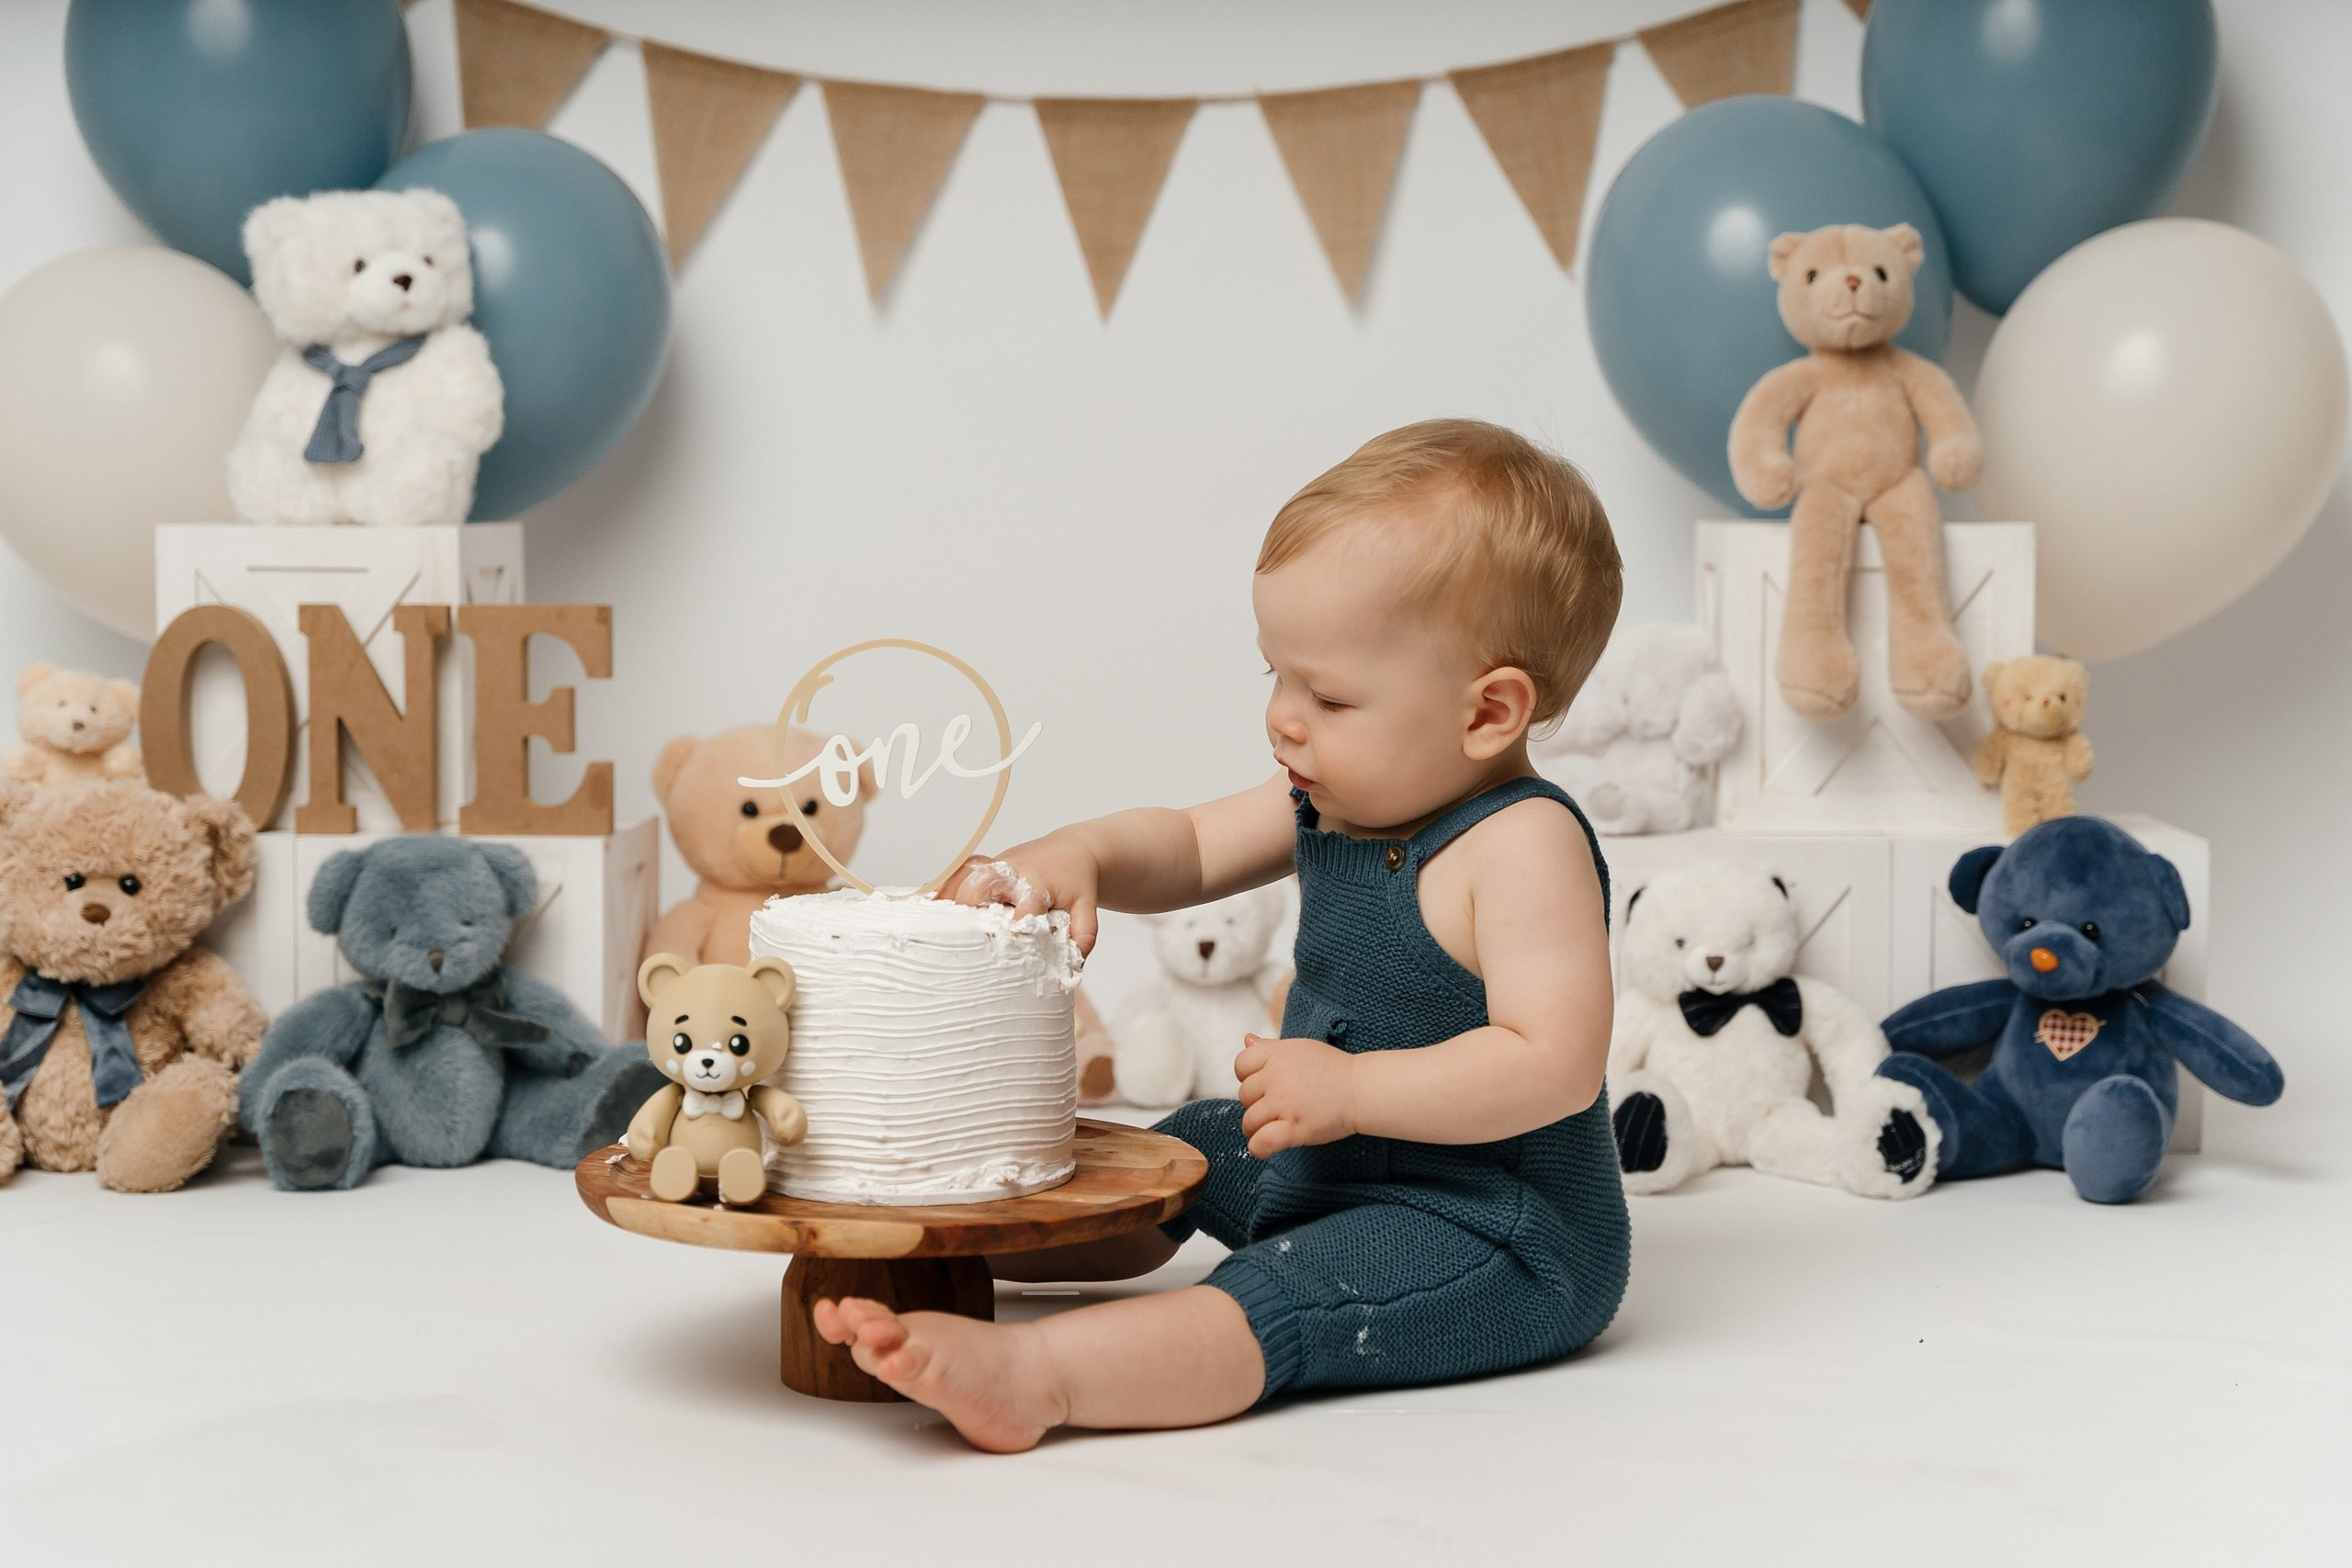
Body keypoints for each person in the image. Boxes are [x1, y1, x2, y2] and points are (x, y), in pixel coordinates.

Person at [814, 418, 1629, 1450]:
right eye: (1274, 677)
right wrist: (1086, 853)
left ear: (1488, 712)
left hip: (1485, 1229)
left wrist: (1353, 1092)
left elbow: (1552, 1063)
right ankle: (982, 1259)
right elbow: (1192, 846)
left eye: (1327, 694)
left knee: (1279, 1295)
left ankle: (1042, 1376)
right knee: (1188, 1149)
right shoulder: (1336, 799)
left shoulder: (1520, 846)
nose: (1284, 719)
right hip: (1326, 1169)